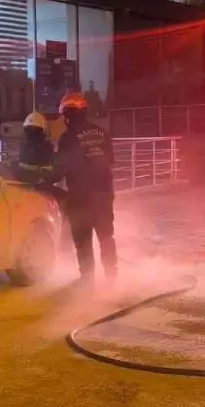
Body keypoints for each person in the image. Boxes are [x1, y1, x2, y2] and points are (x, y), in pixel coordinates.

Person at [54, 91, 116, 281]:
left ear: (67, 114)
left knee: (83, 240)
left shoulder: (67, 138)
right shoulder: (102, 133)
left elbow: (60, 169)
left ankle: (87, 280)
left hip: (81, 199)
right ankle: (112, 277)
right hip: (104, 195)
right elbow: (110, 159)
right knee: (106, 238)